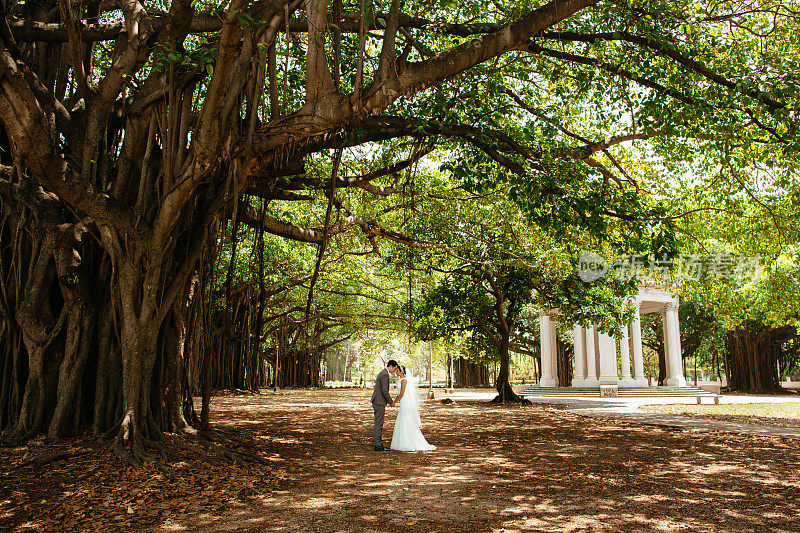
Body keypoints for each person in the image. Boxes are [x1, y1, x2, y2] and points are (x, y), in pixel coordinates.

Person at [390, 365, 436, 451]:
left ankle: (408, 442)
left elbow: (402, 394)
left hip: (405, 402)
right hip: (403, 401)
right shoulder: (401, 380)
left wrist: (394, 402)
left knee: (406, 419)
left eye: (397, 371)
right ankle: (403, 441)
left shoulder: (404, 380)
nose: (396, 372)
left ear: (402, 371)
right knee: (403, 419)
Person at [371, 360, 398, 451]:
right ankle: (378, 445)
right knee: (379, 423)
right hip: (379, 401)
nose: (394, 371)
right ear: (390, 366)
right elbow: (384, 391)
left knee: (378, 422)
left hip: (378, 400)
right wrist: (391, 402)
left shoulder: (383, 373)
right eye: (394, 369)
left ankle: (378, 442)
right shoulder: (385, 374)